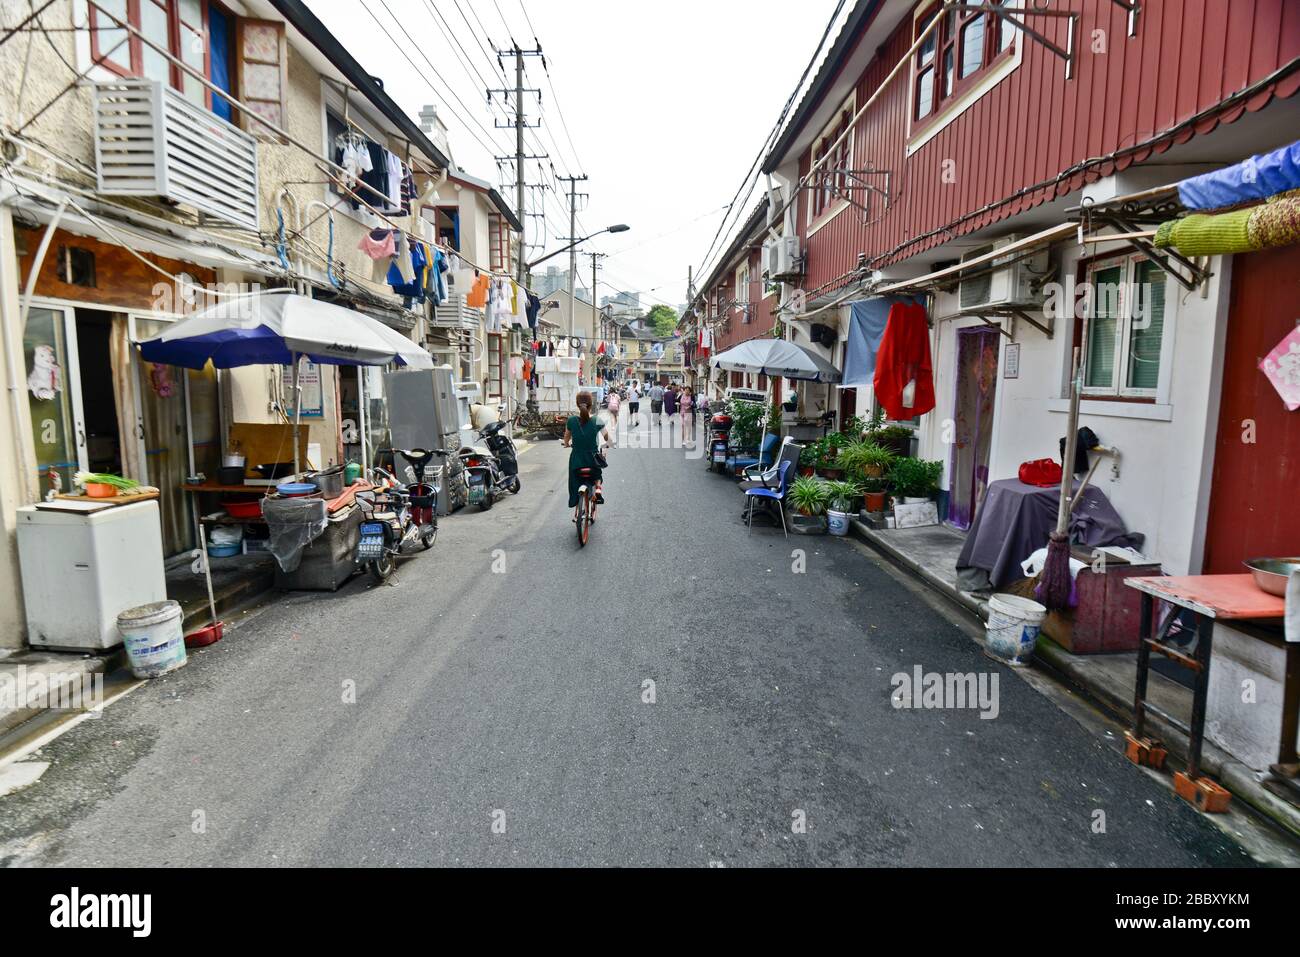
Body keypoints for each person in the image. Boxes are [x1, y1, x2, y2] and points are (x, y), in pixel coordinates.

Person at [563, 392, 611, 514]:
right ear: (591, 405)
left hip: (576, 461)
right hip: (592, 460)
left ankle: (576, 500)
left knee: (575, 479)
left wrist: (567, 443)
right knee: (597, 475)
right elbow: (607, 438)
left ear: (577, 405)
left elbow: (566, 439)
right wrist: (607, 444)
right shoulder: (597, 420)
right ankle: (598, 489)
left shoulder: (572, 420)